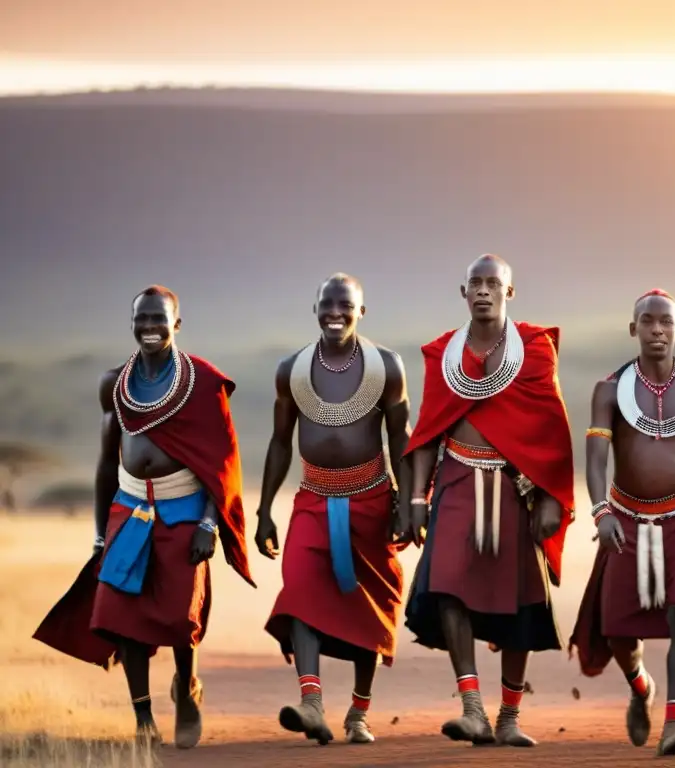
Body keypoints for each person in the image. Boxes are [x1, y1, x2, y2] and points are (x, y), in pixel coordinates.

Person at [33, 285, 254, 749]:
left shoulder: (203, 382)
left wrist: (209, 523)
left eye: (159, 318)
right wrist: (99, 535)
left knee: (180, 617)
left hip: (185, 509)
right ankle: (143, 717)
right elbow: (104, 462)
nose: (149, 326)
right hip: (129, 508)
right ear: (131, 323)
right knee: (122, 614)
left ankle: (187, 689)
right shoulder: (114, 383)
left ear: (177, 323)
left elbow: (223, 462)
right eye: (141, 318)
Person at [399, 254, 575, 748]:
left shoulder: (536, 350)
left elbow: (550, 427)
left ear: (509, 293)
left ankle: (510, 717)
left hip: (514, 488)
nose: (482, 291)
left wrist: (549, 498)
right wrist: (416, 498)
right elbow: (428, 430)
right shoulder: (442, 355)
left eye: (492, 284)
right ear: (462, 292)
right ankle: (472, 708)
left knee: (521, 600)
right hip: (456, 478)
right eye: (474, 283)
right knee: (448, 584)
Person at [568, 289, 675, 757]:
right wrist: (601, 512)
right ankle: (641, 688)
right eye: (648, 322)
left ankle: (674, 726)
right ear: (633, 328)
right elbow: (595, 459)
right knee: (619, 631)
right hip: (626, 520)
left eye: (666, 323)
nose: (657, 330)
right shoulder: (608, 389)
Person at [255, 273, 411, 746]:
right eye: (327, 304)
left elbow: (401, 438)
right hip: (313, 500)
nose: (336, 312)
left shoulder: (387, 366)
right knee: (300, 589)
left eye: (346, 305)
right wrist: (263, 510)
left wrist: (410, 500)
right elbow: (280, 443)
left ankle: (358, 715)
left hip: (372, 498)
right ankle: (311, 702)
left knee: (371, 605)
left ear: (362, 311)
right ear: (315, 308)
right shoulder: (293, 370)